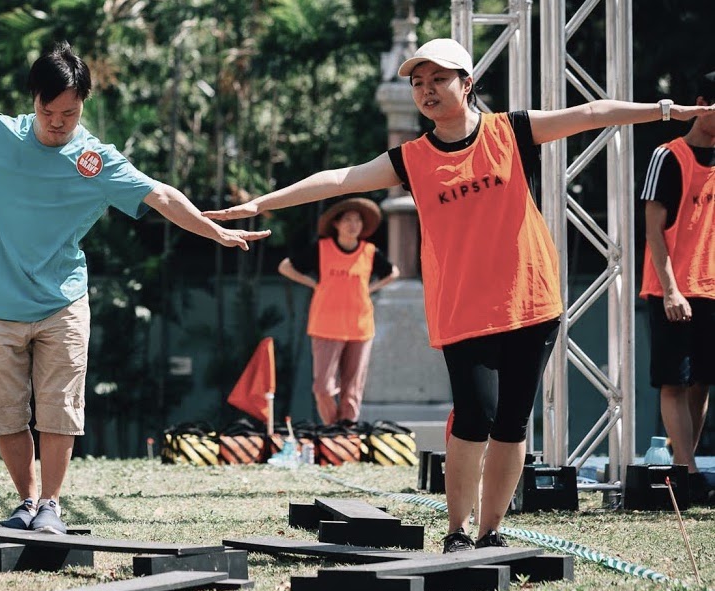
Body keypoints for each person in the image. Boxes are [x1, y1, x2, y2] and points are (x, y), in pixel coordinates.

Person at [205, 38, 715, 552]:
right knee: (474, 417)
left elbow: (589, 112)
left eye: (438, 80)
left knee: (514, 422)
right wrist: (259, 205)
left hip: (531, 302)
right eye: (418, 83)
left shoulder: (511, 131)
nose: (426, 91)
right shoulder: (412, 159)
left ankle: (491, 531)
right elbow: (338, 179)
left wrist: (668, 110)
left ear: (466, 84)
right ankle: (455, 532)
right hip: (464, 310)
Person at [0, 42, 268, 534]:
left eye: (70, 113)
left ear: (84, 105)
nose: (58, 122)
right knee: (5, 413)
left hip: (63, 303)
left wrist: (214, 231)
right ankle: (25, 501)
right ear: (32, 99)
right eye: (48, 110)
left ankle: (52, 507)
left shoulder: (96, 161)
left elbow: (161, 194)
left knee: (59, 410)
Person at [639, 70, 715, 504]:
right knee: (673, 382)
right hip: (673, 287)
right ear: (702, 105)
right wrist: (670, 289)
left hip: (710, 288)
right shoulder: (667, 156)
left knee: (702, 381)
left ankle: (687, 466)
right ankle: (686, 473)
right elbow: (652, 231)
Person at [278, 197, 399, 424]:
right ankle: (333, 428)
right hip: (326, 325)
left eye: (357, 220)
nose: (353, 225)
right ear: (336, 224)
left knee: (352, 388)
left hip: (360, 326)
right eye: (348, 220)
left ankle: (347, 431)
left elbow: (393, 272)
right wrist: (313, 284)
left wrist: (370, 288)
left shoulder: (369, 252)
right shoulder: (321, 249)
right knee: (323, 388)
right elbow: (285, 266)